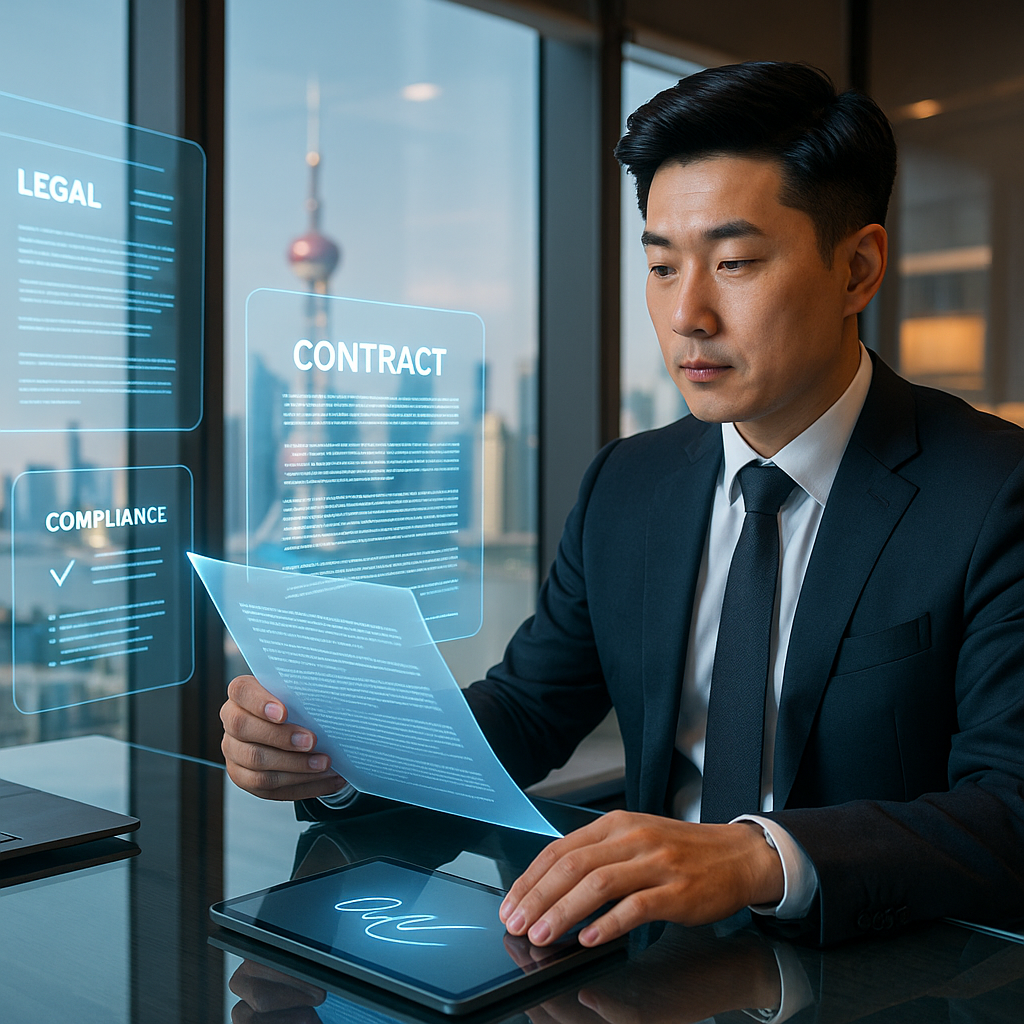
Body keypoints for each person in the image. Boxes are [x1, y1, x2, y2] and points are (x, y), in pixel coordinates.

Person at [220, 62, 1024, 948]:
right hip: (647, 970)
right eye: (661, 266)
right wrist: (338, 753)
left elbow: (1010, 810)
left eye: (735, 263)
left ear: (857, 270)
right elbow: (527, 712)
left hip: (892, 975)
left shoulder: (993, 491)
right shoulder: (629, 483)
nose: (687, 315)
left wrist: (756, 858)